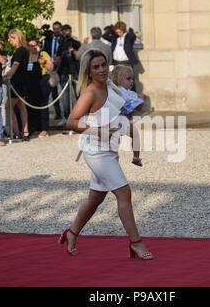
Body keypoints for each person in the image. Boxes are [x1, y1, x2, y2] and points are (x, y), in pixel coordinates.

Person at [61, 49, 154, 260]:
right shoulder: (90, 93)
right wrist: (98, 131)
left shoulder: (110, 85)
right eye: (96, 67)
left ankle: (72, 233)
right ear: (89, 71)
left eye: (104, 65)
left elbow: (121, 108)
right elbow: (71, 122)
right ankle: (136, 243)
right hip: (96, 151)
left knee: (95, 198)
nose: (102, 69)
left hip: (110, 150)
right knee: (124, 193)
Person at [3, 29, 30, 140]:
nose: (10, 41)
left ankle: (17, 131)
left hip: (17, 82)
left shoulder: (19, 51)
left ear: (16, 38)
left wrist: (7, 77)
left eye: (11, 39)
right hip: (23, 81)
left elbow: (15, 66)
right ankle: (25, 132)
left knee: (8, 106)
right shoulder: (25, 50)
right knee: (21, 106)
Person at [26, 38, 54, 138]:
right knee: (31, 105)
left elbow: (51, 67)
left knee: (43, 105)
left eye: (34, 45)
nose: (33, 47)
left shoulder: (43, 54)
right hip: (30, 83)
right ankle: (35, 128)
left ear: (37, 45)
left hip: (42, 81)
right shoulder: (27, 55)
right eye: (30, 45)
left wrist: (45, 62)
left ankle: (44, 129)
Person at [55, 24, 81, 125]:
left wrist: (72, 50)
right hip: (64, 72)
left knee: (78, 94)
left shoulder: (76, 43)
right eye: (64, 31)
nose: (66, 33)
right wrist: (59, 56)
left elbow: (79, 55)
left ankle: (81, 116)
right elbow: (57, 59)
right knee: (65, 96)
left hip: (75, 71)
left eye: (67, 31)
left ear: (70, 31)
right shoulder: (61, 45)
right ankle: (66, 116)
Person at [43, 21, 63, 120]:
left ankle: (67, 113)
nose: (56, 30)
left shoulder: (63, 39)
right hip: (51, 68)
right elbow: (45, 51)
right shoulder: (48, 40)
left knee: (64, 91)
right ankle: (57, 113)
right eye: (54, 29)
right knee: (53, 92)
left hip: (61, 68)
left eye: (57, 29)